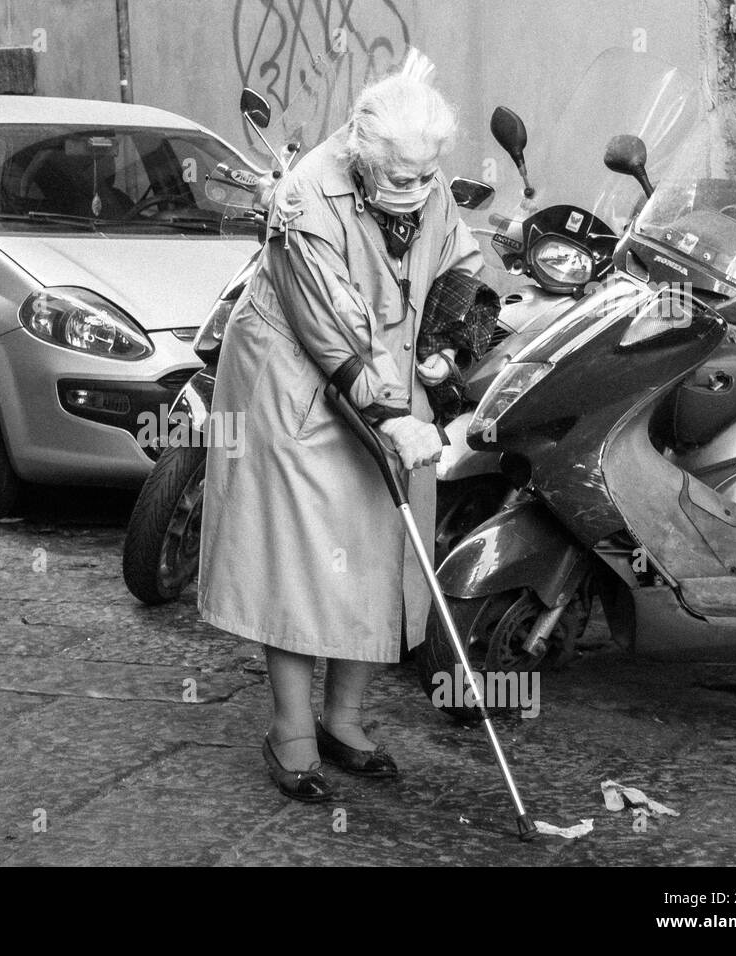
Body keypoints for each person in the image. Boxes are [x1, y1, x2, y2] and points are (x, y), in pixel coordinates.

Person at [198, 51, 483, 801]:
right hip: (293, 388)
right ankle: (291, 729)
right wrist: (394, 414)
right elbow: (335, 332)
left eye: (429, 176)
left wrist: (447, 346)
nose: (419, 191)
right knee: (298, 558)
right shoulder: (304, 201)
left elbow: (460, 261)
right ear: (362, 154)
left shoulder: (421, 176)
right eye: (403, 179)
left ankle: (346, 719)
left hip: (386, 375)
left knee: (380, 542)